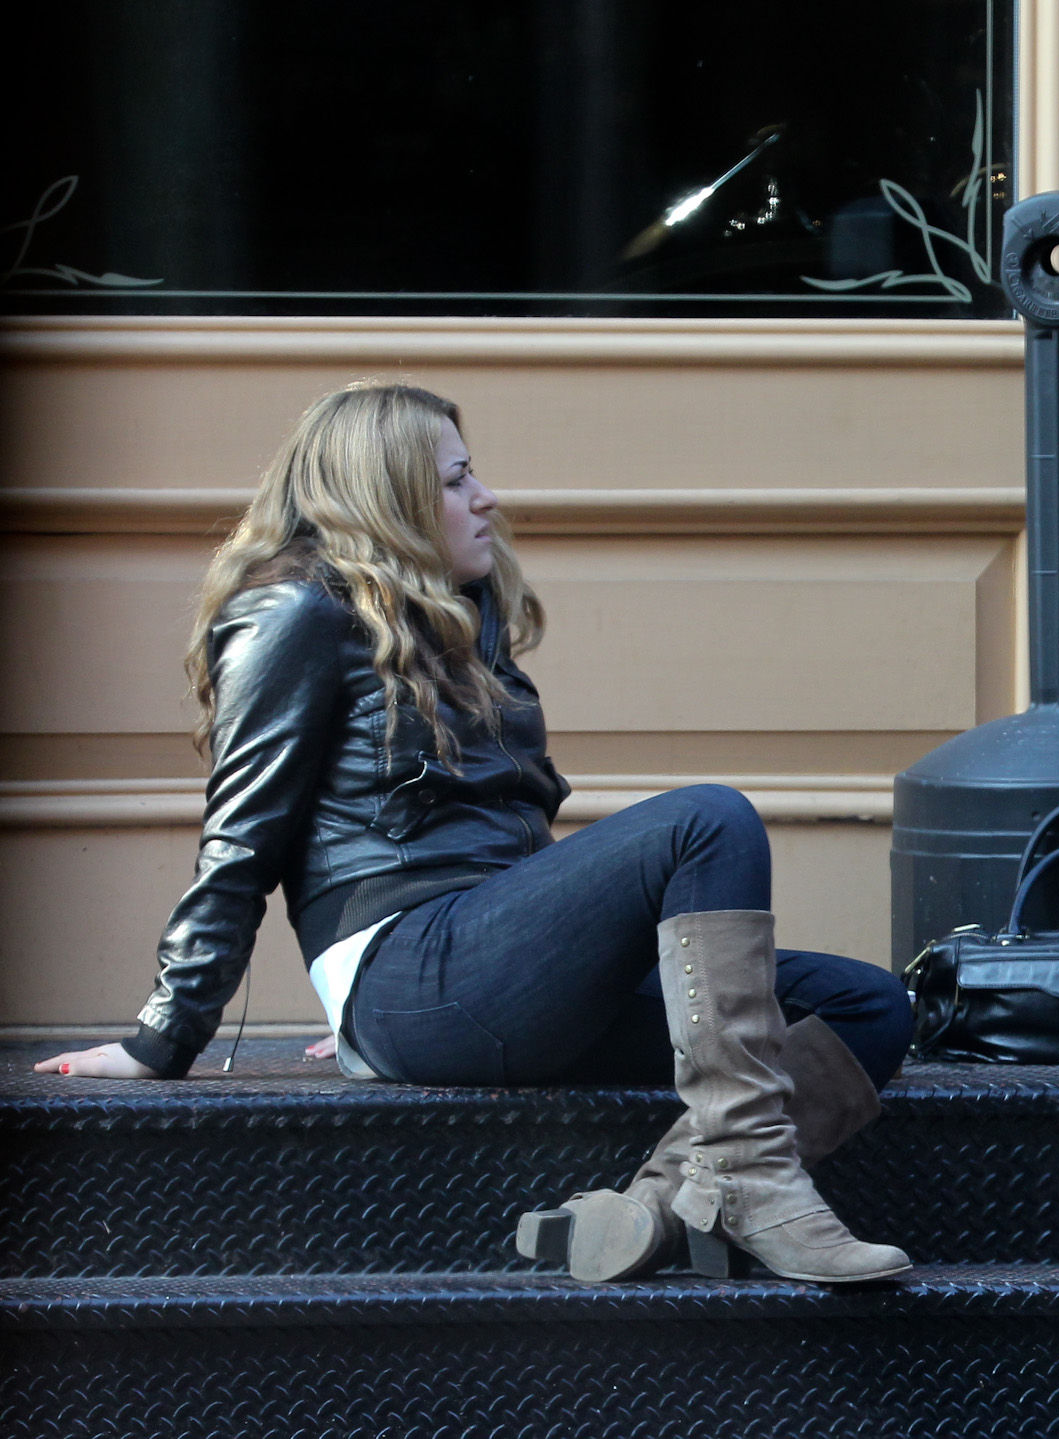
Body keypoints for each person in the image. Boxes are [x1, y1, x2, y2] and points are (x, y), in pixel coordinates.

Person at [34, 381, 912, 1287]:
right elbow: (240, 838)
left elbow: (509, 839)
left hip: (494, 969)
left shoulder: (457, 621)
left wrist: (530, 958)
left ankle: (656, 1211)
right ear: (389, 497)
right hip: (412, 965)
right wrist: (168, 1033)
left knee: (870, 1005)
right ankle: (754, 1182)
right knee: (708, 819)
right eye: (455, 480)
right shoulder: (296, 611)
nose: (486, 497)